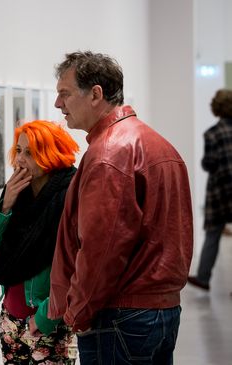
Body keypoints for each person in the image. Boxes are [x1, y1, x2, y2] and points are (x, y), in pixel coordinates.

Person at [48, 51, 193, 365]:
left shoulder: (108, 154)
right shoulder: (157, 143)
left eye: (65, 94)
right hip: (161, 312)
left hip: (119, 317)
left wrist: (76, 313)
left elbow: (102, 249)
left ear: (96, 94)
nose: (58, 105)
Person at [0, 120, 79, 364]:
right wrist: (4, 207)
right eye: (19, 150)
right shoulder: (16, 193)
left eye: (30, 153)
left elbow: (74, 269)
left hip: (49, 322)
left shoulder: (68, 196)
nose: (20, 159)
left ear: (50, 155)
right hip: (10, 319)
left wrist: (44, 317)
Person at [188, 89, 232, 291]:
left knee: (213, 235)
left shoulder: (212, 134)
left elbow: (208, 164)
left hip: (220, 191)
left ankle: (204, 278)